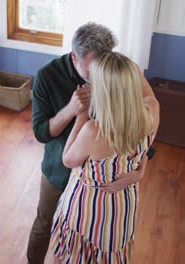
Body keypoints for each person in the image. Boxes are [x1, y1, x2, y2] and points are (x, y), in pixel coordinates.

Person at [27, 22, 148, 263]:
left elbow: (140, 120)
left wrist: (142, 167)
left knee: (88, 243)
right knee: (43, 224)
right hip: (59, 171)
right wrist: (71, 110)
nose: (101, 73)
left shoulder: (116, 73)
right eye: (94, 67)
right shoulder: (46, 76)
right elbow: (41, 133)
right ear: (75, 56)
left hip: (101, 184)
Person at [50, 51, 160, 263]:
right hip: (121, 207)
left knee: (70, 256)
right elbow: (144, 149)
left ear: (103, 91)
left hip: (85, 210)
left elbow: (68, 160)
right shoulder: (152, 112)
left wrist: (81, 116)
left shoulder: (94, 130)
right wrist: (139, 172)